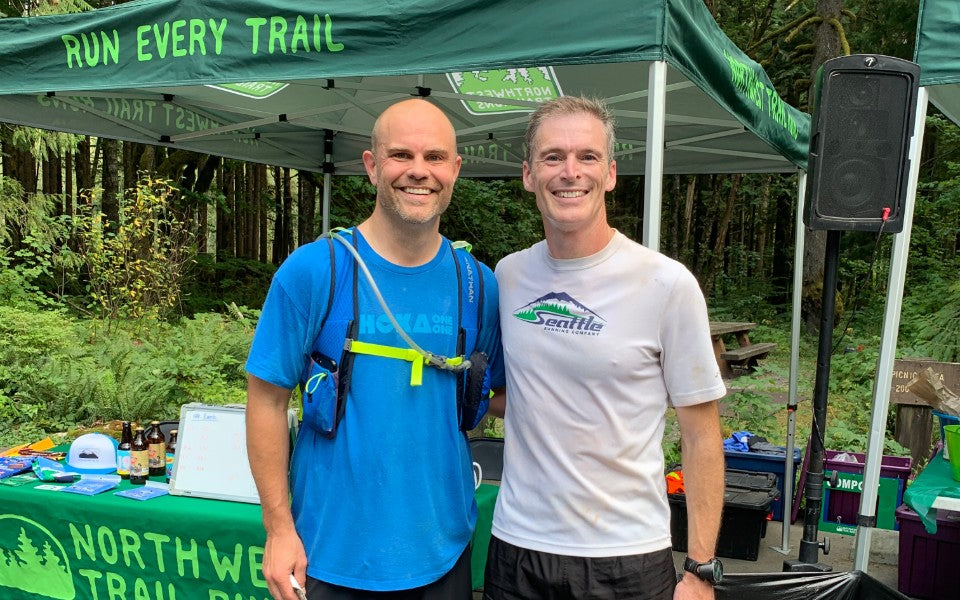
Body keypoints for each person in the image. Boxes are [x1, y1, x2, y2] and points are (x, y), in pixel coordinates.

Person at [245, 98, 503, 600]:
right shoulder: (316, 271)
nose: (418, 172)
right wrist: (278, 530)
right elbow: (267, 401)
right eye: (400, 155)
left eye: (434, 157)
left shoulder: (477, 285)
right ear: (371, 166)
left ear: (455, 169)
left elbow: (503, 396)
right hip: (330, 556)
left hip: (443, 553)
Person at [484, 96, 726, 600]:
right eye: (553, 157)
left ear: (611, 173)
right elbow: (514, 393)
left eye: (587, 157)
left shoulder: (666, 285)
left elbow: (702, 434)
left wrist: (700, 569)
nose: (570, 172)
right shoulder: (507, 276)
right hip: (517, 547)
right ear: (528, 174)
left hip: (627, 557)